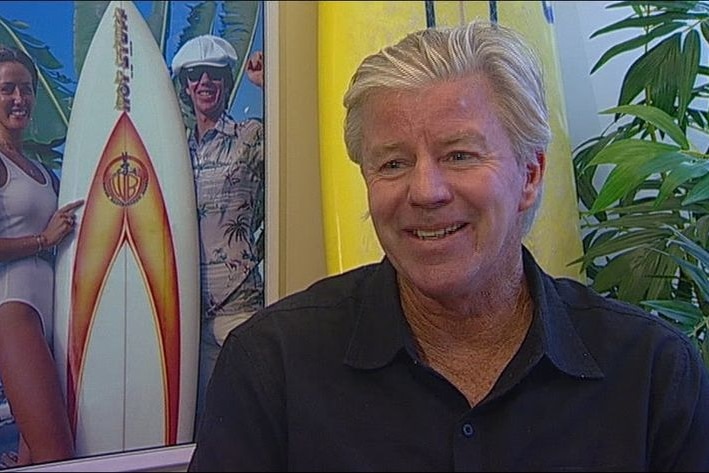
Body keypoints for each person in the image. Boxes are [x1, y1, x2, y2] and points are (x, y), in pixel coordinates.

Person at [189, 20, 709, 472]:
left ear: (530, 175)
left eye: (459, 155)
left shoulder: (651, 374)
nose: (426, 191)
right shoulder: (271, 367)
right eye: (392, 163)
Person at [170, 35, 266, 427]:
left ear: (227, 81)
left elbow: (301, 146)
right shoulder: (174, 149)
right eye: (195, 75)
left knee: (255, 421)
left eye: (214, 74)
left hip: (239, 306)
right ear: (185, 85)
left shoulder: (252, 136)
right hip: (186, 316)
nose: (205, 82)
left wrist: (267, 85)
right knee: (206, 428)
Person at [0, 46, 83, 467]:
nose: (20, 98)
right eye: (7, 88)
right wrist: (43, 239)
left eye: (27, 89)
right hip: (14, 311)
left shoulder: (35, 165)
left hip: (47, 314)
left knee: (35, 457)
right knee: (58, 456)